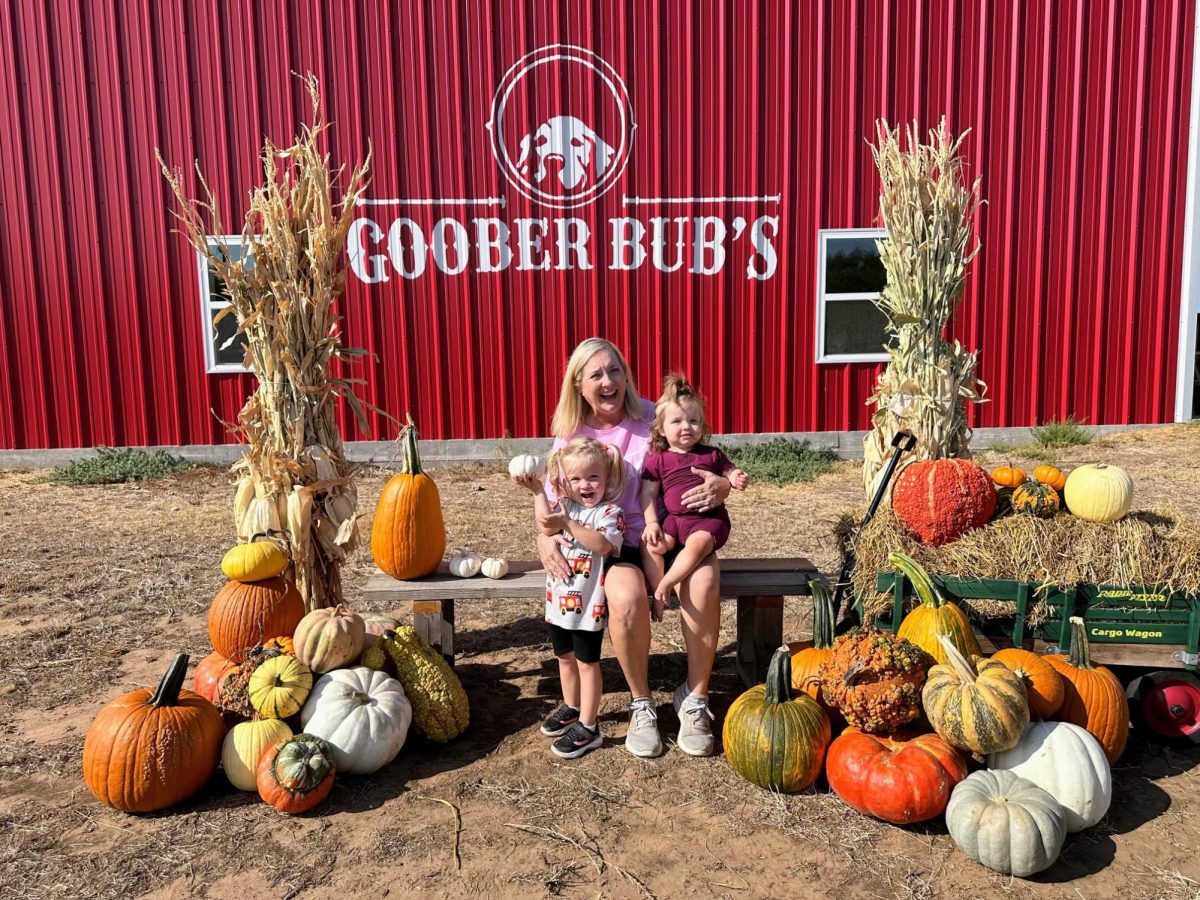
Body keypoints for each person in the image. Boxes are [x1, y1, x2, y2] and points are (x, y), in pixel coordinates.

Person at [513, 338, 732, 758]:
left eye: (615, 370)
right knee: (627, 597)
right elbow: (555, 500)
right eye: (596, 374)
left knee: (704, 579)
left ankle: (694, 698)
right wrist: (544, 539)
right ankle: (642, 703)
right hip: (613, 546)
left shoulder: (654, 414)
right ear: (578, 384)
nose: (609, 381)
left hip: (675, 531)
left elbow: (703, 452)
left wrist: (721, 485)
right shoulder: (570, 436)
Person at [520, 437, 625, 759]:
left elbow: (603, 546)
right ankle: (571, 705)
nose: (585, 485)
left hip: (587, 608)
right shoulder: (566, 507)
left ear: (607, 478)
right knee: (564, 660)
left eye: (593, 477)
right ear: (565, 482)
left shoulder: (610, 513)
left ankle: (589, 726)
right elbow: (545, 525)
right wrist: (538, 491)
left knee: (588, 664)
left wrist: (569, 523)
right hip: (557, 603)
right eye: (576, 479)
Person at [641, 374, 749, 616]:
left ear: (703, 425)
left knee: (698, 543)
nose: (686, 427)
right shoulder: (658, 459)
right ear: (661, 428)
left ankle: (665, 585)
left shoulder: (711, 454)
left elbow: (729, 472)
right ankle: (659, 594)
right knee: (651, 545)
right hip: (674, 521)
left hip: (707, 521)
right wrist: (651, 523)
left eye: (693, 420)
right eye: (676, 421)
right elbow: (647, 493)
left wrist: (735, 478)